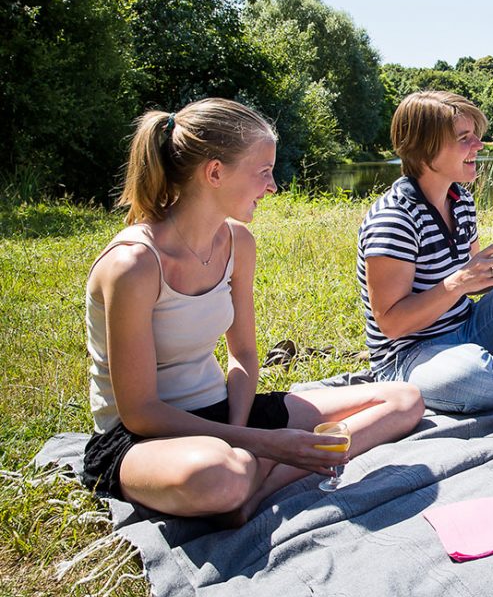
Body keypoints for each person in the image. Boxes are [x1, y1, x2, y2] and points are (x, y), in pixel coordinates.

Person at [82, 99, 424, 524]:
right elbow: (140, 412)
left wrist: (244, 433)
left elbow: (243, 354)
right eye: (263, 172)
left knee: (403, 399)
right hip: (142, 438)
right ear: (214, 173)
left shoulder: (237, 242)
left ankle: (254, 486)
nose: (273, 186)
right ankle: (254, 477)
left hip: (222, 412)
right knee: (220, 476)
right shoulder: (133, 264)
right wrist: (262, 443)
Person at [359, 90, 493, 414]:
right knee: (477, 377)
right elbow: (392, 324)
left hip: (468, 328)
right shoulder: (394, 218)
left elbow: (479, 276)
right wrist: (458, 283)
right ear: (425, 148)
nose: (478, 146)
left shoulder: (459, 200)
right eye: (465, 138)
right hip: (410, 356)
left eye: (476, 137)